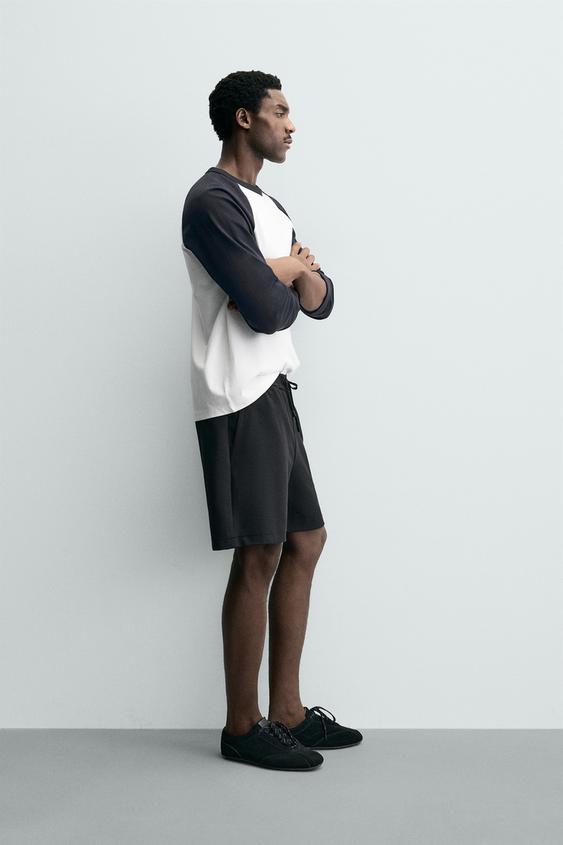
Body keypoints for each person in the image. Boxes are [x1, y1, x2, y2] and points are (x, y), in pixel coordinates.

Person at [180, 70, 362, 771]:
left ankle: (286, 711)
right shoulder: (210, 201)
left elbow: (320, 299)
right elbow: (265, 310)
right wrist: (284, 275)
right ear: (242, 118)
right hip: (237, 392)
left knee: (305, 539)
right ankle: (241, 726)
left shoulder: (270, 205)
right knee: (259, 551)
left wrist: (281, 269)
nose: (291, 125)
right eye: (279, 111)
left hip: (275, 387)